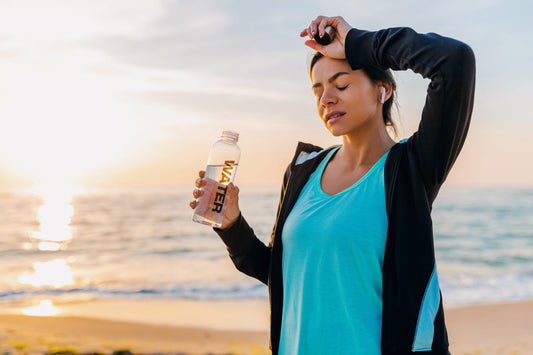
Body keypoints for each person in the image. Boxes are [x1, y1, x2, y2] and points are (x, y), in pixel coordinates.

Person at [190, 15, 475, 355]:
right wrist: (231, 224)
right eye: (318, 90)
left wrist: (357, 42)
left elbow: (454, 61)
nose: (326, 98)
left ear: (382, 90)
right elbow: (286, 276)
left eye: (341, 85)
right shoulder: (302, 171)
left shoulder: (411, 169)